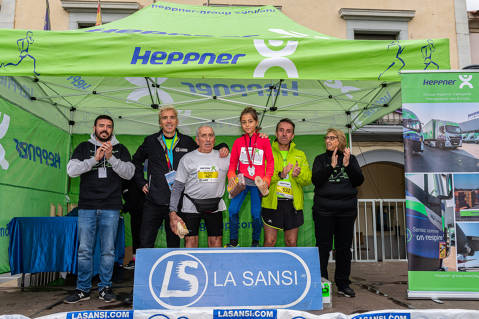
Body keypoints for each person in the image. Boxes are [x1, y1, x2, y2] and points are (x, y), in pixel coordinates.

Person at [132, 105, 228, 249]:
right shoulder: (150, 141)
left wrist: (223, 146)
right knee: (146, 241)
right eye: (165, 118)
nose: (169, 121)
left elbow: (206, 148)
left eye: (172, 117)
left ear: (177, 121)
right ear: (160, 122)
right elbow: (136, 161)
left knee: (174, 244)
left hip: (179, 203)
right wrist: (141, 182)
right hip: (155, 201)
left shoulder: (187, 141)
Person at [64, 115, 135, 303]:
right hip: (87, 206)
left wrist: (111, 158)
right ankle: (83, 289)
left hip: (111, 207)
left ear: (113, 129)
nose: (105, 129)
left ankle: (105, 288)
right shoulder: (83, 147)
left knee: (108, 251)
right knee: (85, 250)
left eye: (109, 126)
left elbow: (129, 173)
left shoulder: (119, 149)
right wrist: (94, 159)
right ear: (94, 127)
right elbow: (71, 171)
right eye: (101, 125)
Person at [312, 128, 364, 298]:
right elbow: (316, 180)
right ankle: (321, 282)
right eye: (326, 138)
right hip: (323, 210)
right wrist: (331, 167)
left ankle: (343, 284)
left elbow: (358, 181)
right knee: (323, 247)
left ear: (340, 140)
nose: (328, 140)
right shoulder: (320, 160)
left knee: (343, 248)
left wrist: (348, 166)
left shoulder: (351, 158)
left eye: (332, 138)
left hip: (346, 211)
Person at [169, 125, 229, 247]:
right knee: (190, 242)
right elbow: (177, 187)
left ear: (214, 139)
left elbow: (241, 170)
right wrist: (172, 211)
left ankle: (215, 266)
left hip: (215, 205)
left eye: (210, 135)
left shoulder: (225, 157)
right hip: (191, 205)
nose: (207, 139)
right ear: (197, 140)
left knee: (216, 242)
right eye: (204, 135)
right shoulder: (187, 158)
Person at [227, 107, 274, 247]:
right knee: (232, 210)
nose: (247, 125)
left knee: (255, 214)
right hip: (241, 183)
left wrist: (266, 180)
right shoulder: (237, 142)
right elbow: (232, 163)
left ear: (256, 122)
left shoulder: (264, 141)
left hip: (257, 184)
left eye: (250, 121)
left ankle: (255, 242)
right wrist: (231, 176)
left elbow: (270, 162)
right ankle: (234, 242)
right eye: (243, 122)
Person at [261, 119, 311, 247]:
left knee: (291, 242)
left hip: (292, 204)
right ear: (276, 133)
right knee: (269, 241)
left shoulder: (300, 154)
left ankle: (290, 268)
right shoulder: (267, 151)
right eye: (281, 130)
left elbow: (307, 179)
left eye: (288, 131)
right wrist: (280, 175)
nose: (284, 134)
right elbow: (261, 178)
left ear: (293, 136)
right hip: (272, 202)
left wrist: (297, 175)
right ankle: (266, 267)